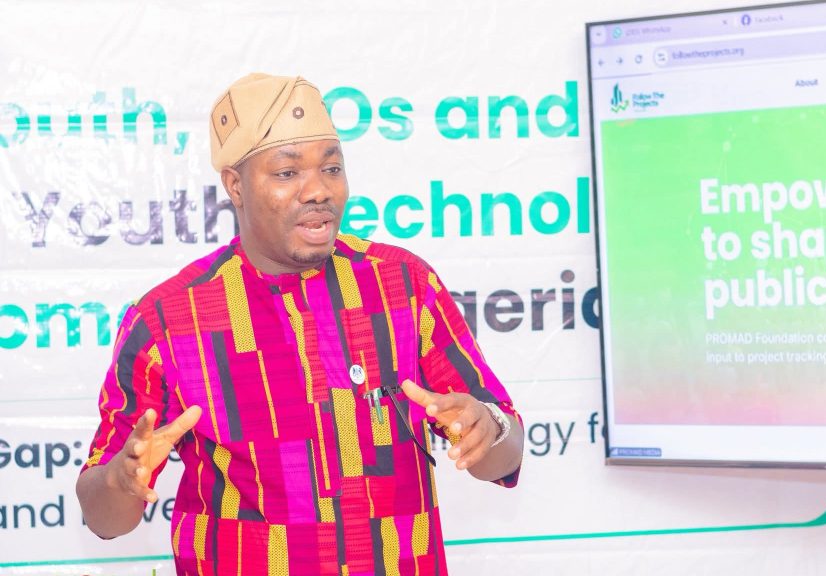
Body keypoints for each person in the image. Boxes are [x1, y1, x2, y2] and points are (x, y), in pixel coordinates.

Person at [76, 73, 524, 575]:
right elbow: (103, 518)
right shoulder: (168, 321)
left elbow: (506, 455)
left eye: (332, 168)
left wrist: (490, 429)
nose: (318, 190)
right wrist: (120, 481)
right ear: (235, 186)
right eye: (287, 173)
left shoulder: (403, 285)